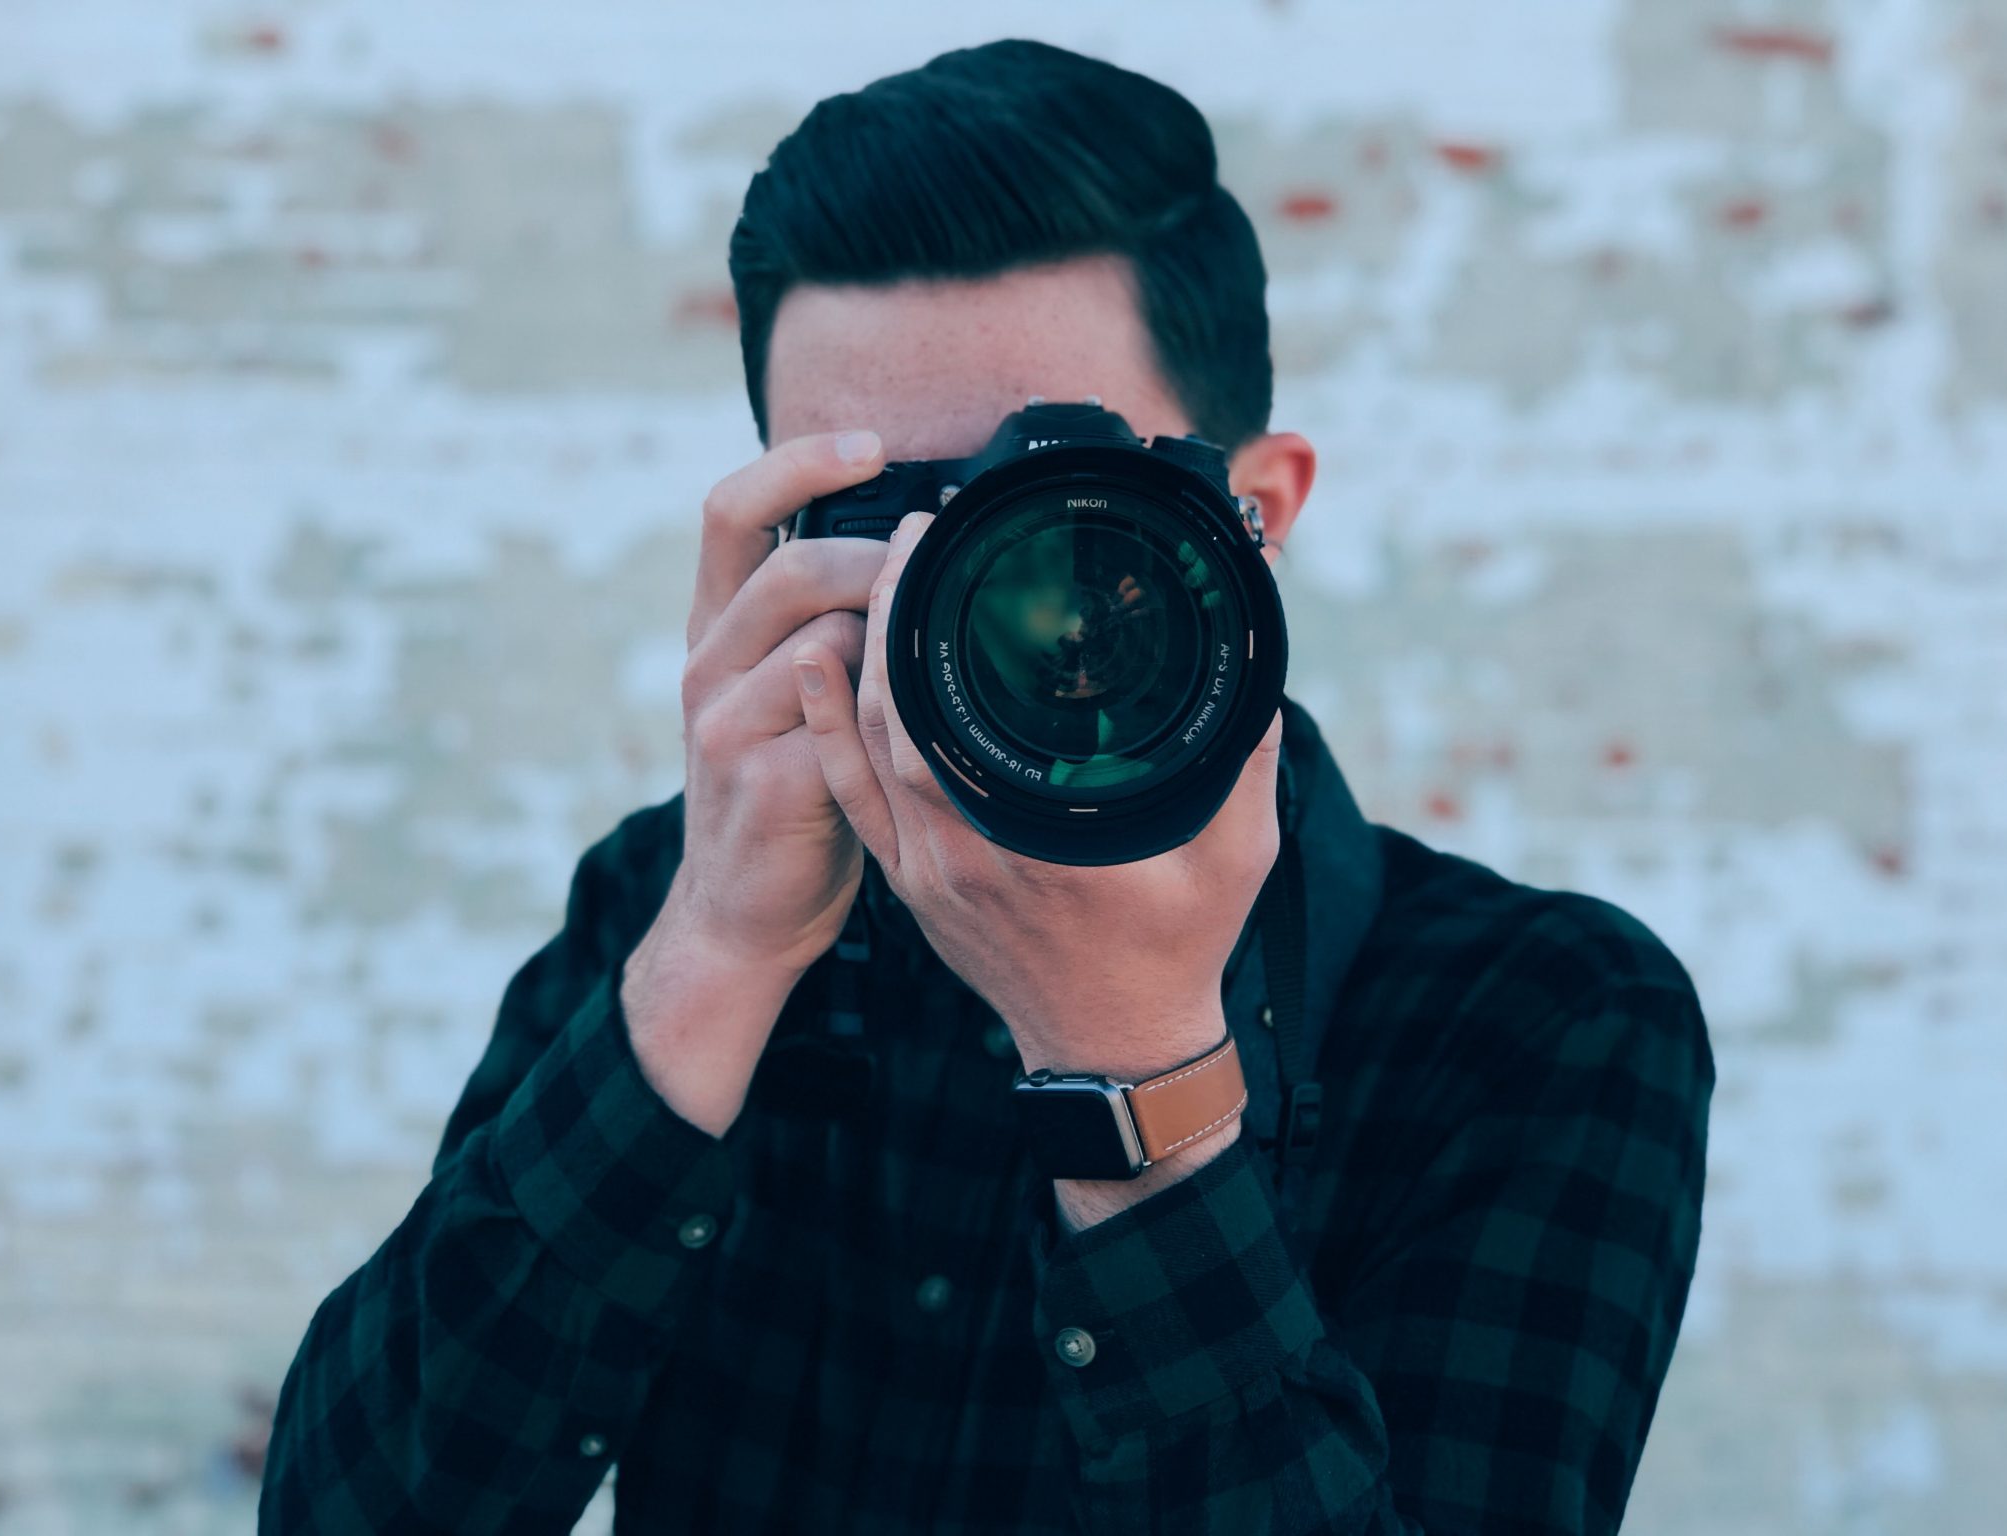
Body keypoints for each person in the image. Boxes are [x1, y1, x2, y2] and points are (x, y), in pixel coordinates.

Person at [259, 37, 1713, 1534]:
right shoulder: (669, 903)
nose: (976, 594)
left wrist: (1133, 1071)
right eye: (880, 519)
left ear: (1257, 513)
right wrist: (716, 956)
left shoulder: (1540, 1018)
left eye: (1054, 513)